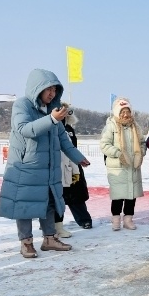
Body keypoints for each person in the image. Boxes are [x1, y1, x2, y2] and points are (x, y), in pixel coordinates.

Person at [0, 69, 90, 258]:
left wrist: (77, 156)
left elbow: (62, 138)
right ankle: (26, 242)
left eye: (55, 90)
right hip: (26, 167)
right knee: (25, 205)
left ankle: (50, 239)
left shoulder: (52, 110)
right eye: (49, 89)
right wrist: (51, 119)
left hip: (48, 167)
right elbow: (25, 129)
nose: (52, 94)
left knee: (49, 202)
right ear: (37, 88)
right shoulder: (22, 105)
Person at [100, 97, 146, 231]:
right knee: (118, 196)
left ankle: (128, 219)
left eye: (127, 111)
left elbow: (142, 143)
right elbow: (104, 144)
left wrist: (140, 153)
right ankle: (115, 219)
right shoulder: (111, 126)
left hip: (133, 166)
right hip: (118, 167)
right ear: (117, 113)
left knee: (131, 196)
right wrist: (118, 153)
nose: (125, 114)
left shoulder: (135, 127)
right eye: (122, 112)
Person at [54, 102, 93, 238]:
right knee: (58, 197)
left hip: (72, 166)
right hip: (57, 167)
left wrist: (78, 160)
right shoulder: (50, 127)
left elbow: (72, 147)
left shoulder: (69, 128)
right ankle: (55, 225)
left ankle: (84, 220)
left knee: (76, 195)